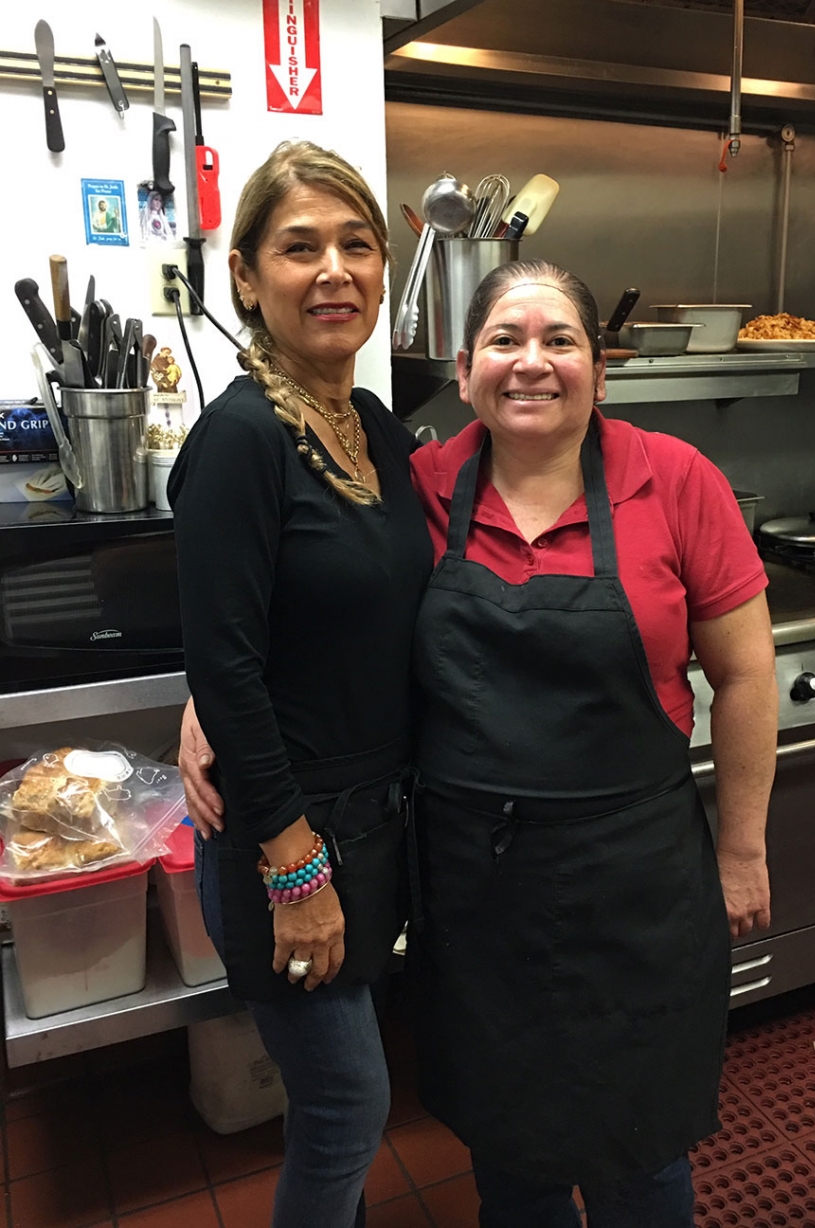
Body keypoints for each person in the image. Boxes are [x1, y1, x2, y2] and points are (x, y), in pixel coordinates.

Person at [182, 260, 778, 1227]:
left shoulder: (674, 480)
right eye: (505, 340)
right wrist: (205, 700)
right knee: (511, 1145)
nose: (530, 364)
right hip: (474, 886)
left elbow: (748, 674)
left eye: (560, 341)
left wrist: (743, 848)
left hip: (637, 879)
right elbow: (304, 602)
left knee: (641, 1145)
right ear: (465, 371)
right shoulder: (417, 481)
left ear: (599, 367)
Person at [168, 140, 433, 1228]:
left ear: (381, 271)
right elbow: (224, 660)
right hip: (294, 837)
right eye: (298, 247)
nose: (333, 269)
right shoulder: (239, 441)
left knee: (346, 1094)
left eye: (355, 245)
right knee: (345, 1105)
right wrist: (292, 867)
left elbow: (369, 606)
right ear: (245, 275)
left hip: (374, 823)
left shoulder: (370, 426)